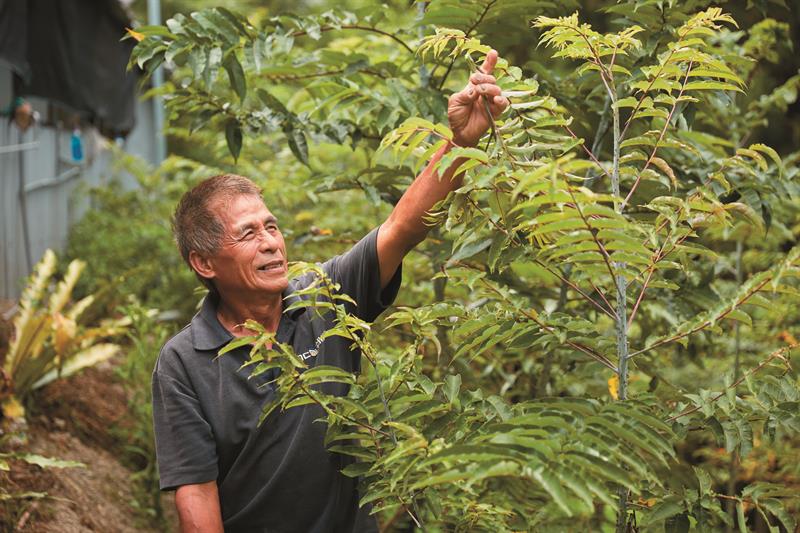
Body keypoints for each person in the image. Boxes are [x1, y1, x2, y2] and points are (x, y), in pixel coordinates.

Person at [152, 50, 509, 532]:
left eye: (271, 226)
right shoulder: (183, 363)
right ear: (203, 262)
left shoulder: (325, 295)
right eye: (248, 234)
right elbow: (196, 489)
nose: (271, 243)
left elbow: (402, 227)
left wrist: (462, 141)